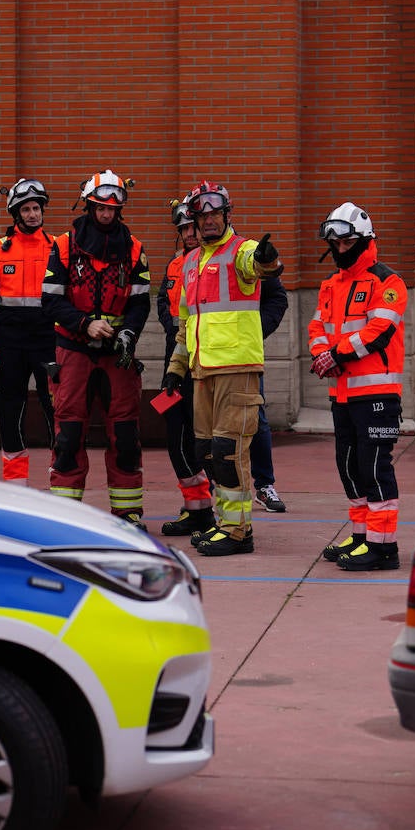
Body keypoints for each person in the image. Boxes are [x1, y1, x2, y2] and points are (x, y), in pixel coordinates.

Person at [161, 181, 283, 556]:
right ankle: (224, 521)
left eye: (215, 213)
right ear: (194, 219)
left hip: (236, 369)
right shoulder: (192, 263)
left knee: (230, 452)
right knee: (207, 452)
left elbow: (260, 266)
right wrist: (175, 368)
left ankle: (237, 531)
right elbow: (186, 324)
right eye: (202, 215)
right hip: (201, 373)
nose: (209, 220)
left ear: (226, 215)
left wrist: (267, 259)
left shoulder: (241, 250)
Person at [41, 169, 151, 529]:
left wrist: (129, 334)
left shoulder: (134, 249)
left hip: (117, 353)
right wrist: (84, 323)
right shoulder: (63, 246)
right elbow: (51, 301)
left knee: (126, 436)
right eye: (100, 208)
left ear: (120, 210)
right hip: (73, 350)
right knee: (69, 434)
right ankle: (64, 516)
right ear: (89, 206)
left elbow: (139, 303)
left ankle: (128, 513)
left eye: (112, 210)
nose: (106, 215)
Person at [310, 202, 408, 571]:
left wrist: (335, 355)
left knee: (375, 466)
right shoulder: (330, 285)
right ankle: (363, 535)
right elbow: (316, 327)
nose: (339, 248)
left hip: (377, 393)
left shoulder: (388, 282)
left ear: (363, 240)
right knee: (349, 465)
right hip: (342, 393)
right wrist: (322, 354)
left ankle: (385, 548)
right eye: (334, 243)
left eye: (346, 242)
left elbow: (379, 332)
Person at [0, 179, 57, 485]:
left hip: (50, 341)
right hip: (10, 344)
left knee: (56, 411)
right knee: (11, 413)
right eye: (27, 209)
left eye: (37, 208)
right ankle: (15, 487)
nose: (33, 214)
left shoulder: (58, 247)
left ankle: (60, 480)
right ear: (15, 213)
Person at [156, 196, 214, 536]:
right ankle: (196, 509)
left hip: (207, 360)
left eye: (192, 226)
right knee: (175, 434)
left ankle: (219, 511)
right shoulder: (176, 264)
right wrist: (172, 326)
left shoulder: (215, 261)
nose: (189, 233)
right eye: (184, 229)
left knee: (205, 440)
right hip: (176, 355)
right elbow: (164, 301)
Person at [253, 274, 290, 513]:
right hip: (199, 353)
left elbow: (277, 297)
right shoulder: (184, 262)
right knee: (207, 427)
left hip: (242, 354)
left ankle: (264, 485)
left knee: (256, 419)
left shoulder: (244, 254)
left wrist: (254, 331)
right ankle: (212, 490)